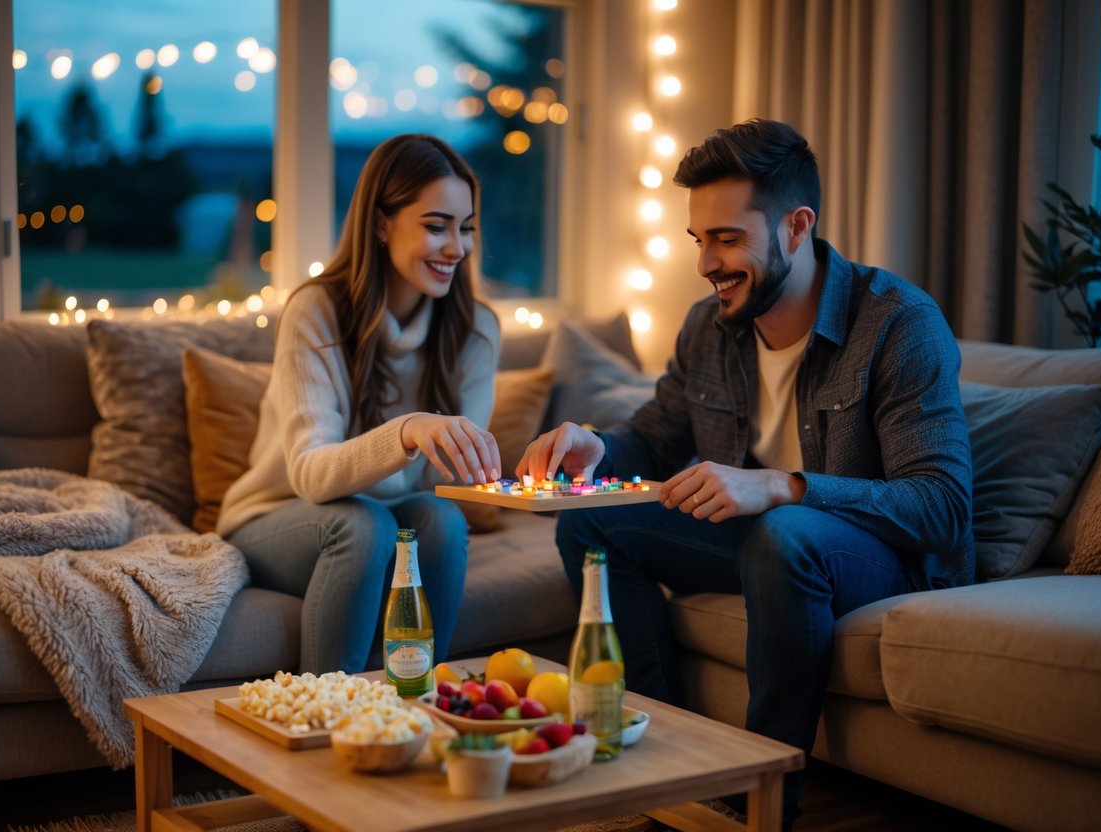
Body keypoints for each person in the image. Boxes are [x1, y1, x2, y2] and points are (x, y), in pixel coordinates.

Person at [517, 118, 974, 828]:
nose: (705, 262)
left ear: (796, 227)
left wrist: (782, 485)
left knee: (783, 532)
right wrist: (595, 447)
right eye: (699, 239)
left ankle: (759, 802)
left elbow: (940, 507)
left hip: (874, 558)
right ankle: (660, 756)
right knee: (592, 521)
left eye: (727, 239)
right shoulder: (709, 325)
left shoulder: (896, 323)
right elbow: (654, 436)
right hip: (760, 543)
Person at [218, 134, 501, 675]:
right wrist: (407, 431)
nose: (456, 248)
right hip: (280, 519)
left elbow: (448, 485)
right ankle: (323, 722)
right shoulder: (316, 311)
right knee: (362, 525)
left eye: (465, 228)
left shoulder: (477, 330)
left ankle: (416, 709)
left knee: (439, 518)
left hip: (389, 522)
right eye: (436, 225)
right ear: (380, 224)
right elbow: (308, 473)